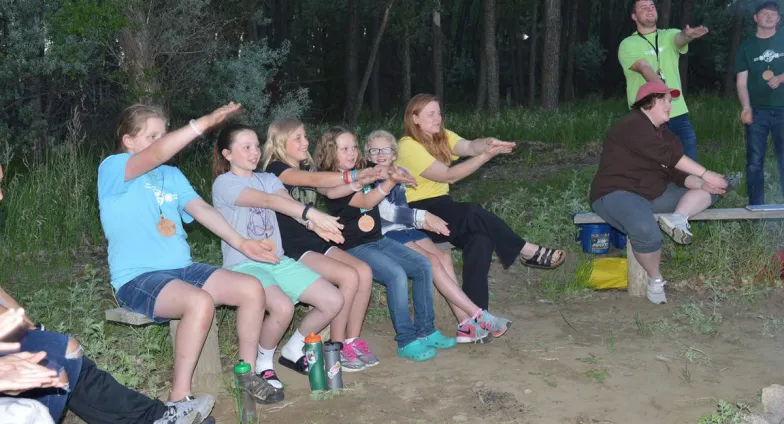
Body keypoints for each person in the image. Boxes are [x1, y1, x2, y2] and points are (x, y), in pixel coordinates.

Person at [97, 103, 282, 404]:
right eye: (152, 136)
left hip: (183, 269)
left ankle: (246, 375)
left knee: (251, 288)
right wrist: (204, 122)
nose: (161, 141)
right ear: (128, 141)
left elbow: (202, 210)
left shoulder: (171, 175)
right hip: (137, 277)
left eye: (163, 134)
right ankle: (179, 398)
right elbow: (157, 153)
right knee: (199, 301)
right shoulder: (114, 168)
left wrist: (242, 242)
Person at [0, 164, 213, 424]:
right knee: (53, 372)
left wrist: (30, 329)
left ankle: (153, 417)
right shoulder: (114, 168)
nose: (1, 195)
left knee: (69, 354)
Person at [395, 93, 566, 312]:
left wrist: (488, 143)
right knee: (471, 211)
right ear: (415, 118)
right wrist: (486, 157)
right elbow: (448, 176)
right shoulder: (408, 146)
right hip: (417, 215)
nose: (438, 118)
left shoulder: (441, 136)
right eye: (431, 114)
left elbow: (469, 147)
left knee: (481, 239)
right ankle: (525, 249)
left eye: (439, 113)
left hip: (443, 207)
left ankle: (477, 316)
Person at [211, 123, 349, 385]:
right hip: (244, 264)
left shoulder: (268, 179)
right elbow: (267, 201)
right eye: (246, 147)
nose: (254, 152)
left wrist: (313, 224)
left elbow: (286, 204)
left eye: (256, 145)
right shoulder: (224, 183)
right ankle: (264, 363)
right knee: (283, 308)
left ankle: (294, 348)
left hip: (277, 260)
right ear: (227, 154)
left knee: (333, 300)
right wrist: (312, 214)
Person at [315, 126, 456, 362]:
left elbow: (381, 174)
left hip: (377, 239)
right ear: (330, 152)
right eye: (344, 149)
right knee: (396, 275)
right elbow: (366, 200)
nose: (352, 153)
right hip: (354, 247)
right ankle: (406, 340)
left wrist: (391, 173)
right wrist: (390, 181)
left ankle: (426, 330)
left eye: (354, 147)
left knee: (423, 265)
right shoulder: (329, 181)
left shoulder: (361, 169)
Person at [363, 130, 510, 342]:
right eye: (374, 150)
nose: (380, 154)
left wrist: (422, 221)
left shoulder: (399, 172)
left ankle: (465, 325)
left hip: (406, 228)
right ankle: (478, 315)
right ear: (367, 155)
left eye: (385, 149)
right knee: (431, 260)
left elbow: (403, 207)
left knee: (444, 257)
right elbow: (385, 213)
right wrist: (422, 217)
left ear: (394, 153)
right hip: (386, 233)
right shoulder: (368, 179)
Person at [590, 81, 727, 305]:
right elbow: (670, 157)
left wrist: (703, 183)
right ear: (647, 102)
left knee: (713, 190)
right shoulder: (632, 124)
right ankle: (655, 279)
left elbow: (678, 173)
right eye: (663, 100)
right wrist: (706, 173)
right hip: (617, 193)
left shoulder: (668, 136)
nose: (669, 105)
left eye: (670, 101)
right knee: (647, 232)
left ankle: (678, 218)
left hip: (653, 195)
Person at [262, 118, 379, 370]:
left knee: (364, 271)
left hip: (314, 238)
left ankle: (352, 340)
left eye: (305, 136)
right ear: (280, 142)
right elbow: (312, 181)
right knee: (348, 276)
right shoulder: (276, 169)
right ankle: (335, 347)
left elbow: (330, 191)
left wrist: (358, 182)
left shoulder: (308, 167)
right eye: (298, 138)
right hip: (291, 246)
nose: (305, 142)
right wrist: (354, 174)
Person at [618, 0, 710, 161]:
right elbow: (644, 67)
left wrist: (687, 36)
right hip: (648, 115)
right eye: (643, 7)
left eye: (652, 6)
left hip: (677, 112)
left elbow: (679, 39)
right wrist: (664, 91)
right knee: (654, 167)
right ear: (634, 16)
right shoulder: (628, 44)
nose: (649, 9)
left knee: (689, 164)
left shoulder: (668, 35)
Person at [735, 0, 784, 205]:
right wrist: (746, 107)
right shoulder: (747, 47)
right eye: (764, 13)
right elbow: (741, 83)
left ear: (778, 18)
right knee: (755, 162)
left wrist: (781, 77)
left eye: (773, 13)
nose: (769, 16)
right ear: (756, 18)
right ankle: (756, 209)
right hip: (757, 112)